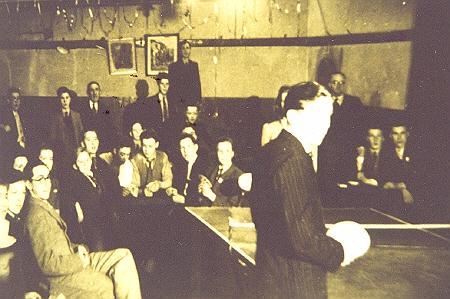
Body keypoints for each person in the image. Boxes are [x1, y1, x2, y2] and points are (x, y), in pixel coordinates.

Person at [251, 82, 361, 298]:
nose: (326, 124)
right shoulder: (294, 159)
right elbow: (302, 239)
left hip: (272, 275)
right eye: (318, 115)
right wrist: (341, 251)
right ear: (293, 115)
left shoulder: (272, 150)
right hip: (296, 283)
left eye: (329, 116)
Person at [24, 163, 142, 298]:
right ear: (29, 184)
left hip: (73, 258)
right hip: (63, 276)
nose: (45, 183)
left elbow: (57, 243)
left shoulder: (43, 205)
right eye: (39, 179)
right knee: (105, 285)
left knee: (123, 256)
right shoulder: (37, 216)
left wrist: (78, 248)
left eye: (47, 177)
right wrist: (79, 260)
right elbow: (47, 265)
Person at [318, 72, 364, 197]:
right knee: (329, 187)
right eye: (334, 82)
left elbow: (360, 126)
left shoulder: (354, 103)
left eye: (341, 83)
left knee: (348, 188)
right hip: (328, 153)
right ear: (329, 84)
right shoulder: (322, 102)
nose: (338, 86)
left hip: (347, 152)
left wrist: (359, 146)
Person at [199, 137, 244, 207]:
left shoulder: (239, 176)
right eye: (220, 151)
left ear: (232, 153)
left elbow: (233, 206)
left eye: (227, 151)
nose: (223, 154)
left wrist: (212, 196)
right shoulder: (211, 170)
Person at [167, 134, 209, 206]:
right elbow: (177, 185)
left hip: (196, 208)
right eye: (182, 148)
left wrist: (184, 200)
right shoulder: (181, 165)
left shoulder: (205, 165)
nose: (185, 150)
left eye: (188, 146)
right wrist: (173, 190)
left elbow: (203, 198)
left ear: (195, 147)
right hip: (180, 205)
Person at [130, 129, 173, 199]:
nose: (147, 150)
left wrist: (158, 184)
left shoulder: (163, 156)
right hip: (141, 198)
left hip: (160, 197)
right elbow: (134, 186)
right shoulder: (135, 160)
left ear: (157, 144)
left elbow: (168, 181)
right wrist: (143, 191)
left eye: (150, 146)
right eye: (144, 146)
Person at [379, 124, 416, 204]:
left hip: (414, 199)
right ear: (390, 136)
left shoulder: (415, 154)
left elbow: (418, 179)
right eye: (395, 134)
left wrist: (398, 186)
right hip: (391, 200)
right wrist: (401, 187)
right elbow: (384, 182)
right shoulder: (385, 155)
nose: (399, 138)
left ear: (407, 134)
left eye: (402, 133)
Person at [49, 86, 84, 169]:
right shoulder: (55, 117)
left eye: (67, 98)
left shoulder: (76, 115)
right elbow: (52, 137)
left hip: (75, 152)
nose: (65, 101)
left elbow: (81, 133)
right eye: (62, 98)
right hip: (61, 154)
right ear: (59, 100)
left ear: (70, 99)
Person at [78, 81, 117, 153]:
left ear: (100, 92)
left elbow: (111, 128)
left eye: (97, 89)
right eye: (91, 90)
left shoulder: (106, 109)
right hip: (87, 147)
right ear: (87, 93)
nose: (94, 93)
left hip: (103, 147)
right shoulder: (81, 108)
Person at [0, 87, 28, 174]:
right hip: (13, 149)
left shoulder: (22, 114)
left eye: (18, 98)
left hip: (24, 146)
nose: (16, 101)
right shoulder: (4, 114)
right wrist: (2, 126)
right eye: (13, 98)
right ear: (8, 100)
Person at [168, 40, 202, 106]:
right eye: (183, 48)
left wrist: (199, 100)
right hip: (178, 101)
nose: (185, 51)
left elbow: (197, 83)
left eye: (187, 48)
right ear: (180, 50)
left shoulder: (194, 65)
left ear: (190, 50)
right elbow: (172, 87)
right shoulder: (173, 67)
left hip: (192, 100)